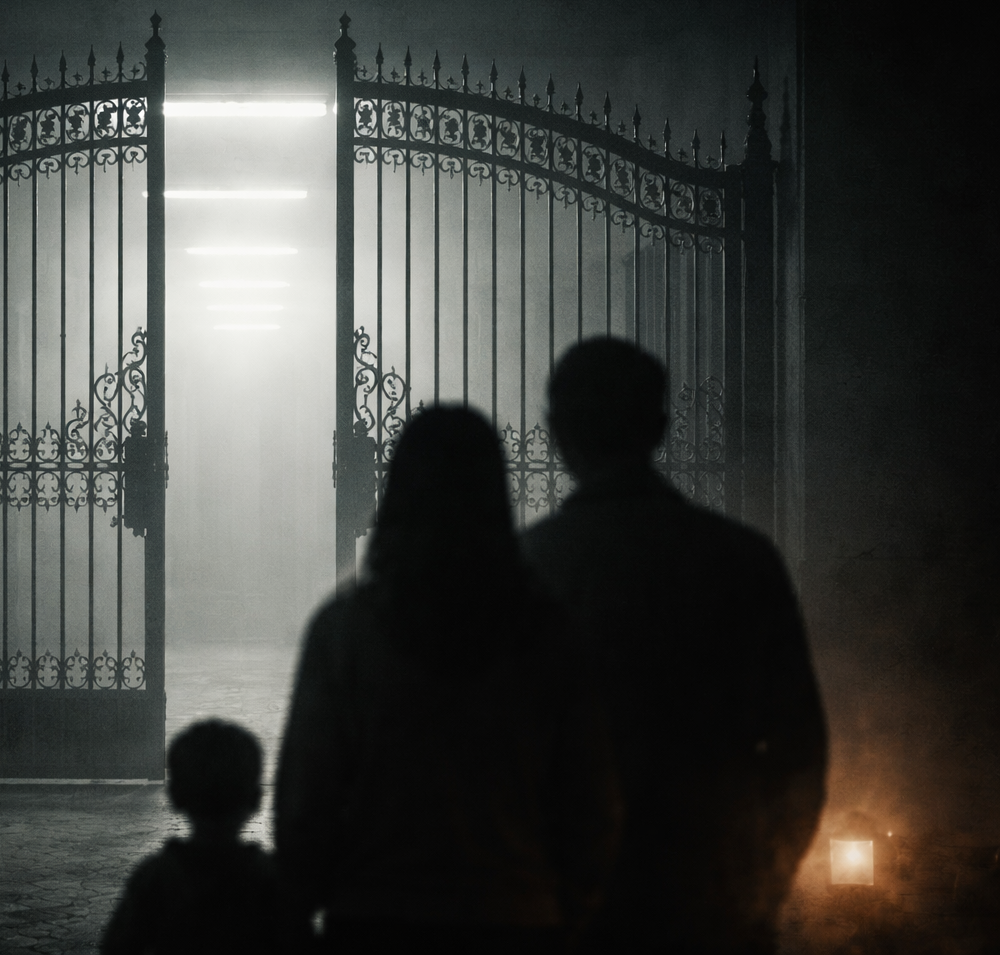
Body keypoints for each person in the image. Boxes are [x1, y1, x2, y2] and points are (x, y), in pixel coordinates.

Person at [275, 406, 621, 954]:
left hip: (376, 917)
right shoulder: (548, 635)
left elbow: (304, 807)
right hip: (516, 914)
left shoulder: (346, 632)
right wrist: (565, 911)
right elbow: (590, 803)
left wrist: (312, 906)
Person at [520, 337, 827, 954]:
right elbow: (799, 745)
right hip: (710, 890)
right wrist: (764, 886)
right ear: (660, 426)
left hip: (567, 900)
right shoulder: (741, 561)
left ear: (554, 432)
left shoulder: (528, 570)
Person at [101, 718, 295, 954]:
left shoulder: (154, 878)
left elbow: (117, 947)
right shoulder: (270, 879)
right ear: (255, 799)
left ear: (174, 796)